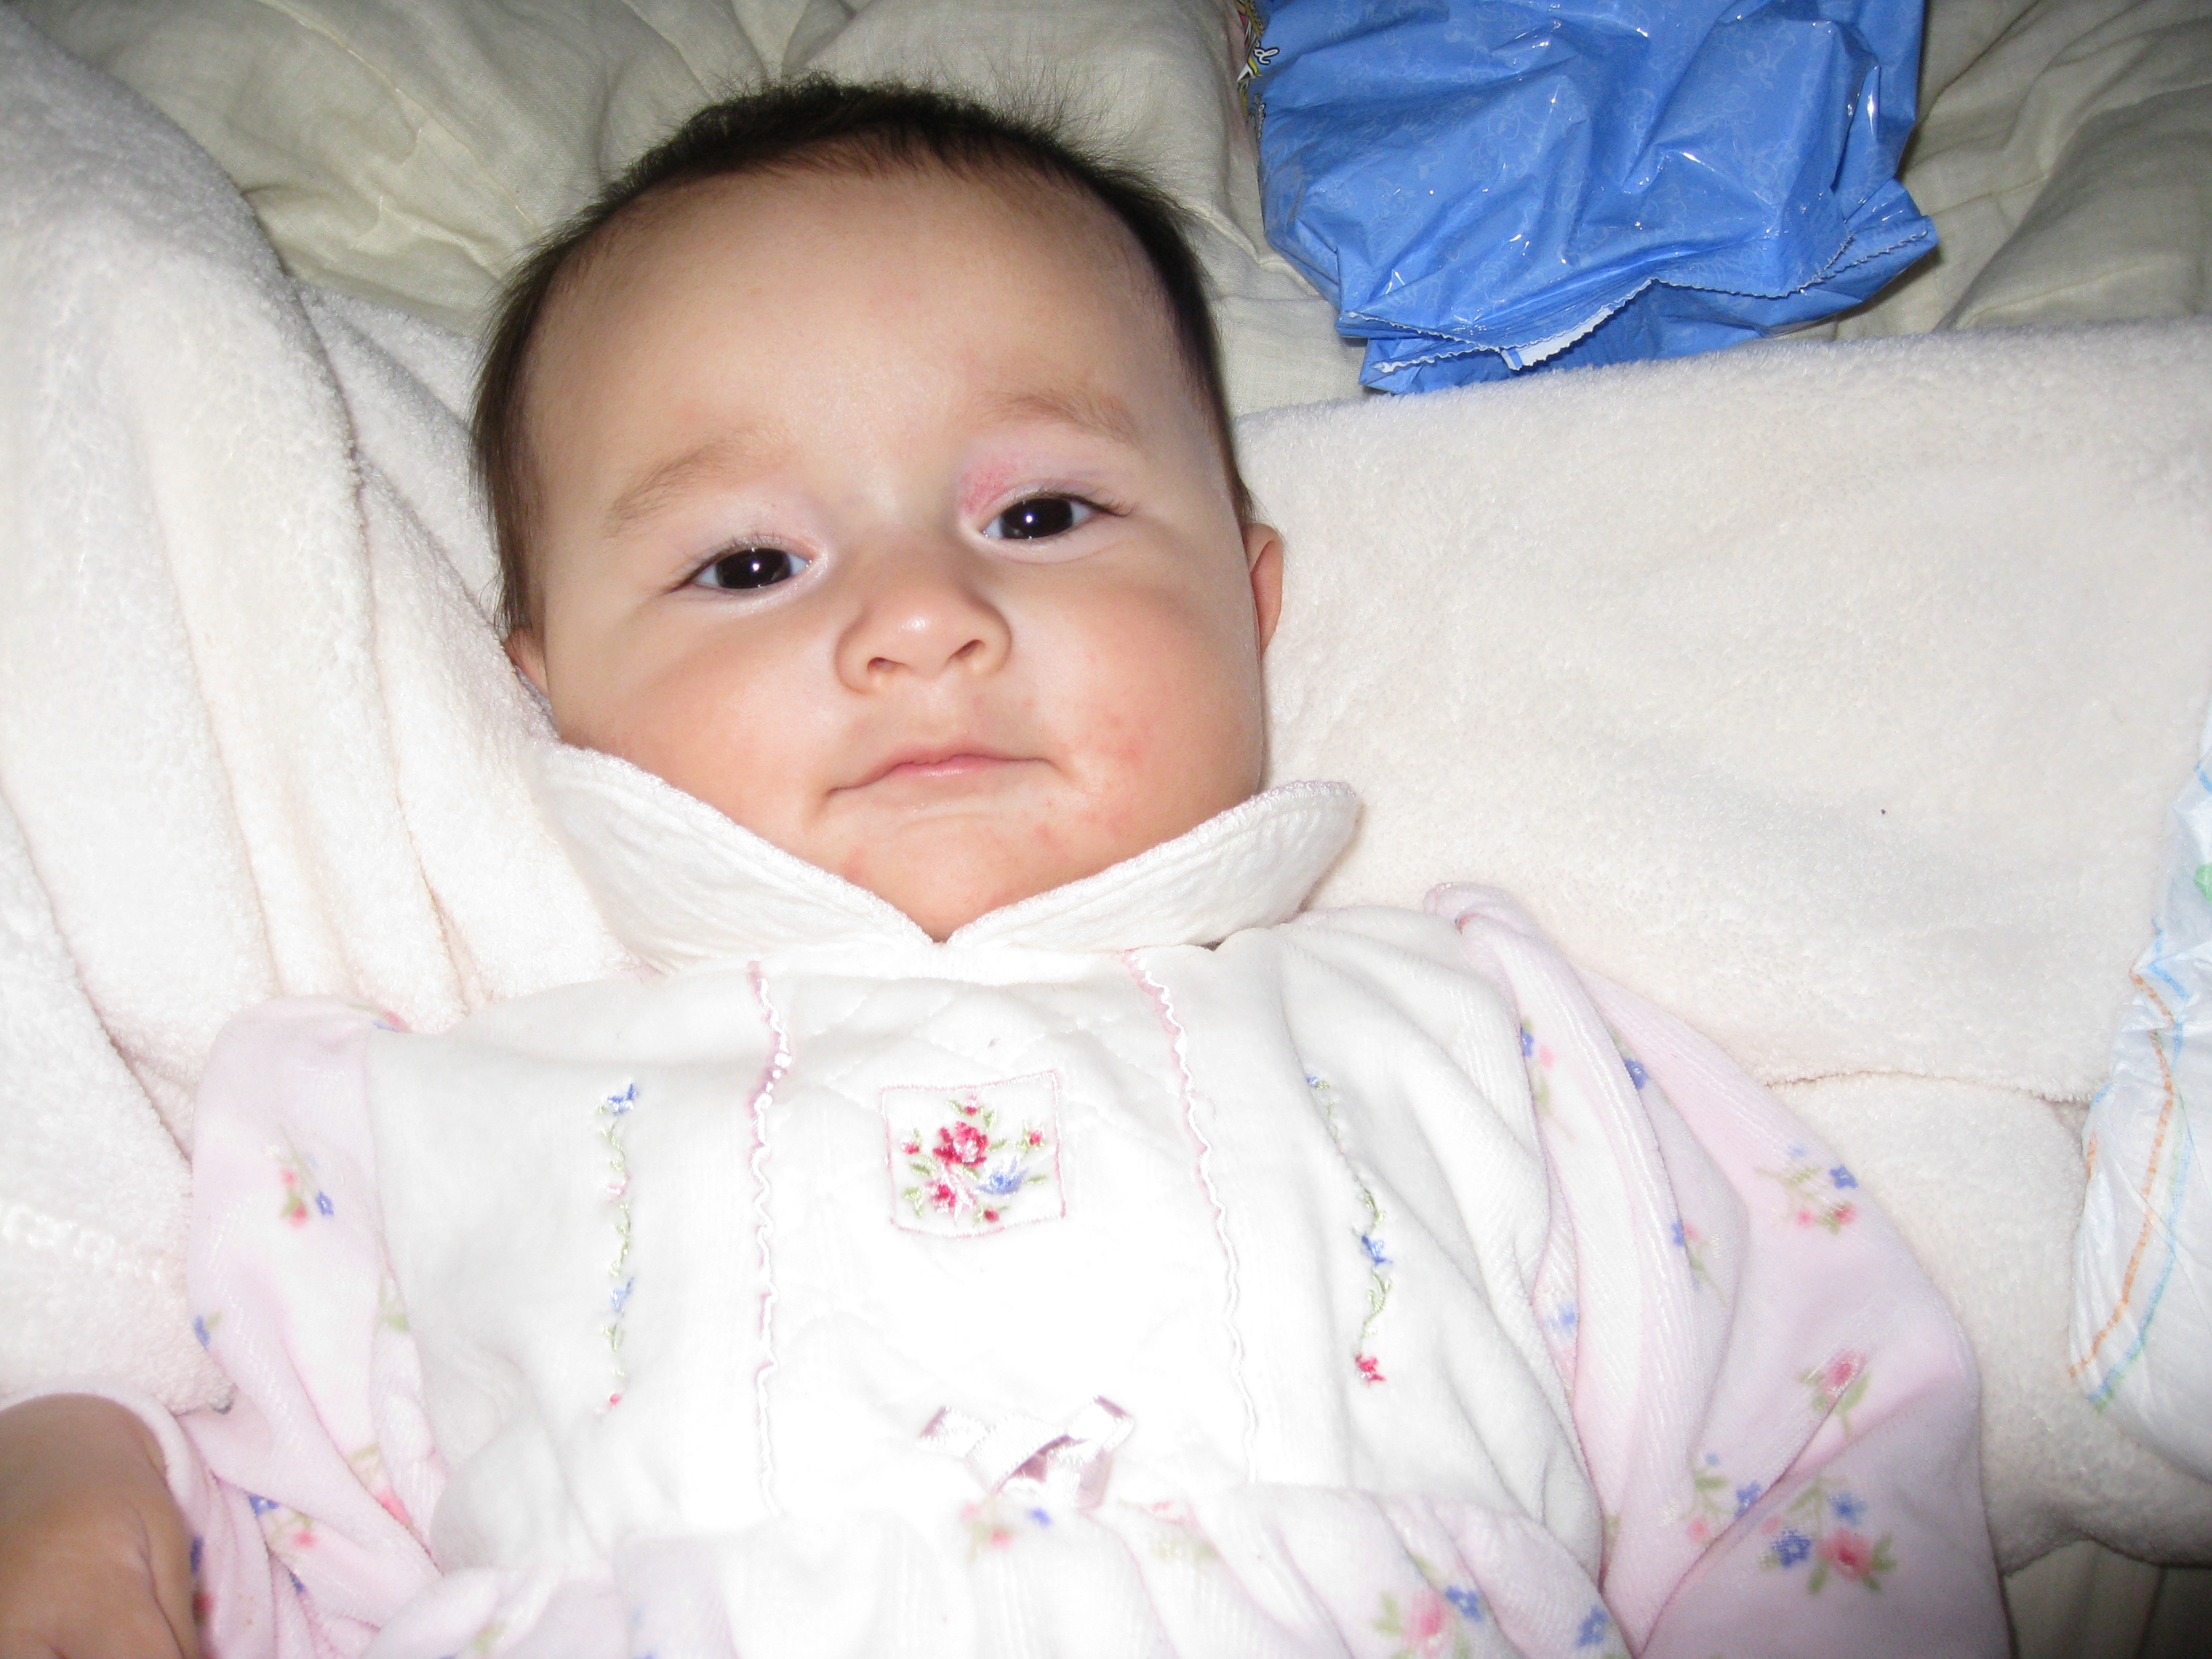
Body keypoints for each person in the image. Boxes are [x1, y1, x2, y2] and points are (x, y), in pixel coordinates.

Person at [0, 79, 2007, 1658]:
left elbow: (1811, 1464)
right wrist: (88, 1473)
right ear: (547, 688)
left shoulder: (1481, 1039)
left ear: (1251, 596)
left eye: (1041, 513)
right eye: (749, 562)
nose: (920, 618)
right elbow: (305, 1554)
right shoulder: (420, 1128)